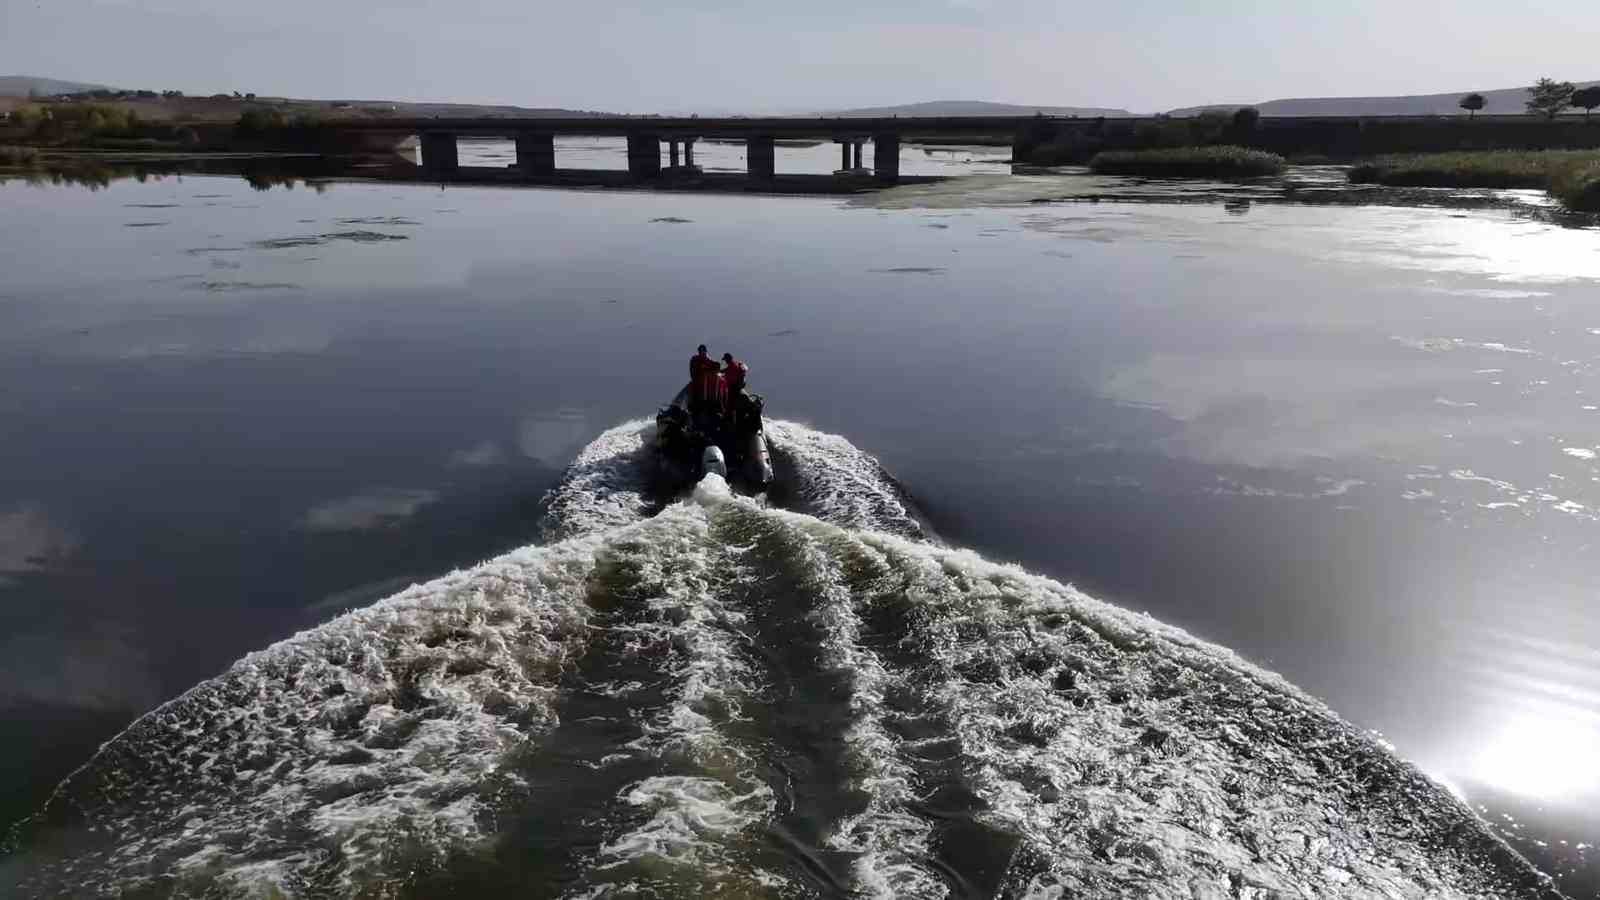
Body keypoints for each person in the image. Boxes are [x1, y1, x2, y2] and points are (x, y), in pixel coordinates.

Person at [689, 344, 722, 414]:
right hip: (699, 383)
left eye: (703, 351)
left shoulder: (703, 359)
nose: (702, 352)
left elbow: (713, 364)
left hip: (702, 383)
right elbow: (696, 370)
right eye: (701, 351)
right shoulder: (696, 359)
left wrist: (715, 366)